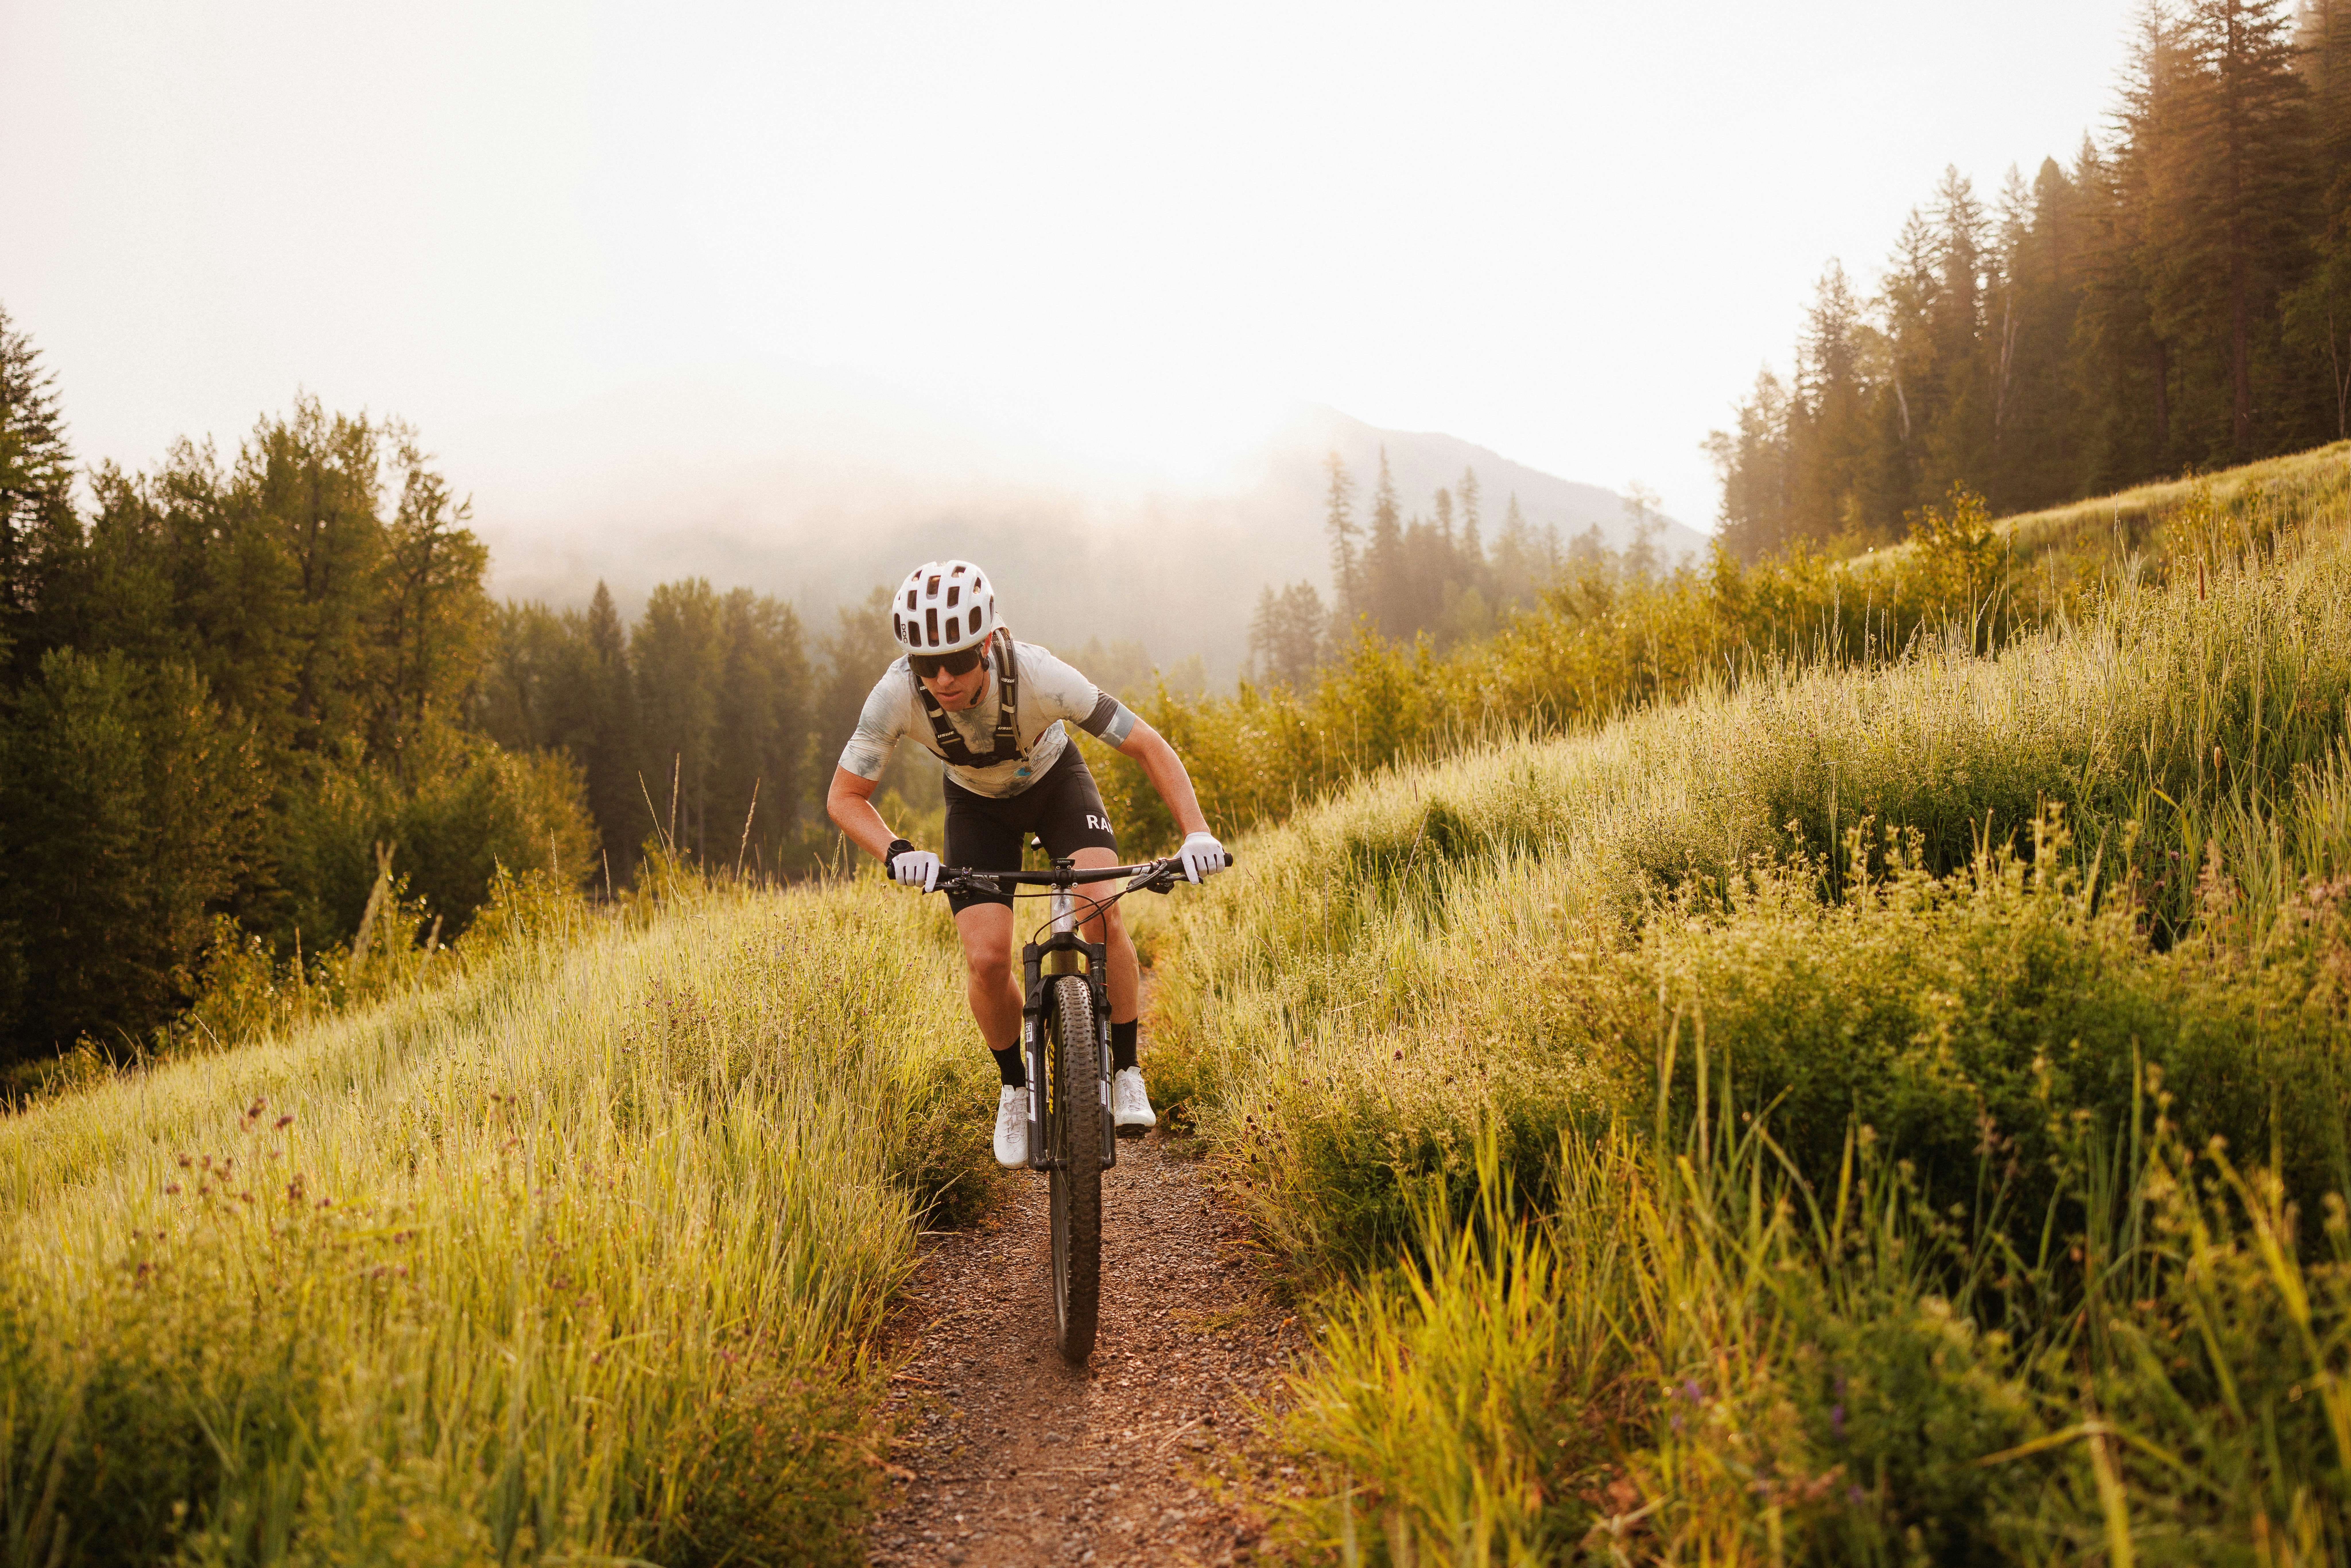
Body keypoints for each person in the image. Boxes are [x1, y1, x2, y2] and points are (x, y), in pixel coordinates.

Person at [825, 559, 1227, 1169]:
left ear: (987, 643)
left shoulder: (1041, 675)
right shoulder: (894, 697)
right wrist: (899, 851)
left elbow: (1147, 743)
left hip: (1055, 784)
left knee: (1100, 910)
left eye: (958, 659)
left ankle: (1126, 1068)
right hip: (975, 807)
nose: (942, 677)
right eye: (924, 664)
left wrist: (1196, 832)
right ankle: (1015, 1085)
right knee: (987, 958)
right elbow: (844, 797)